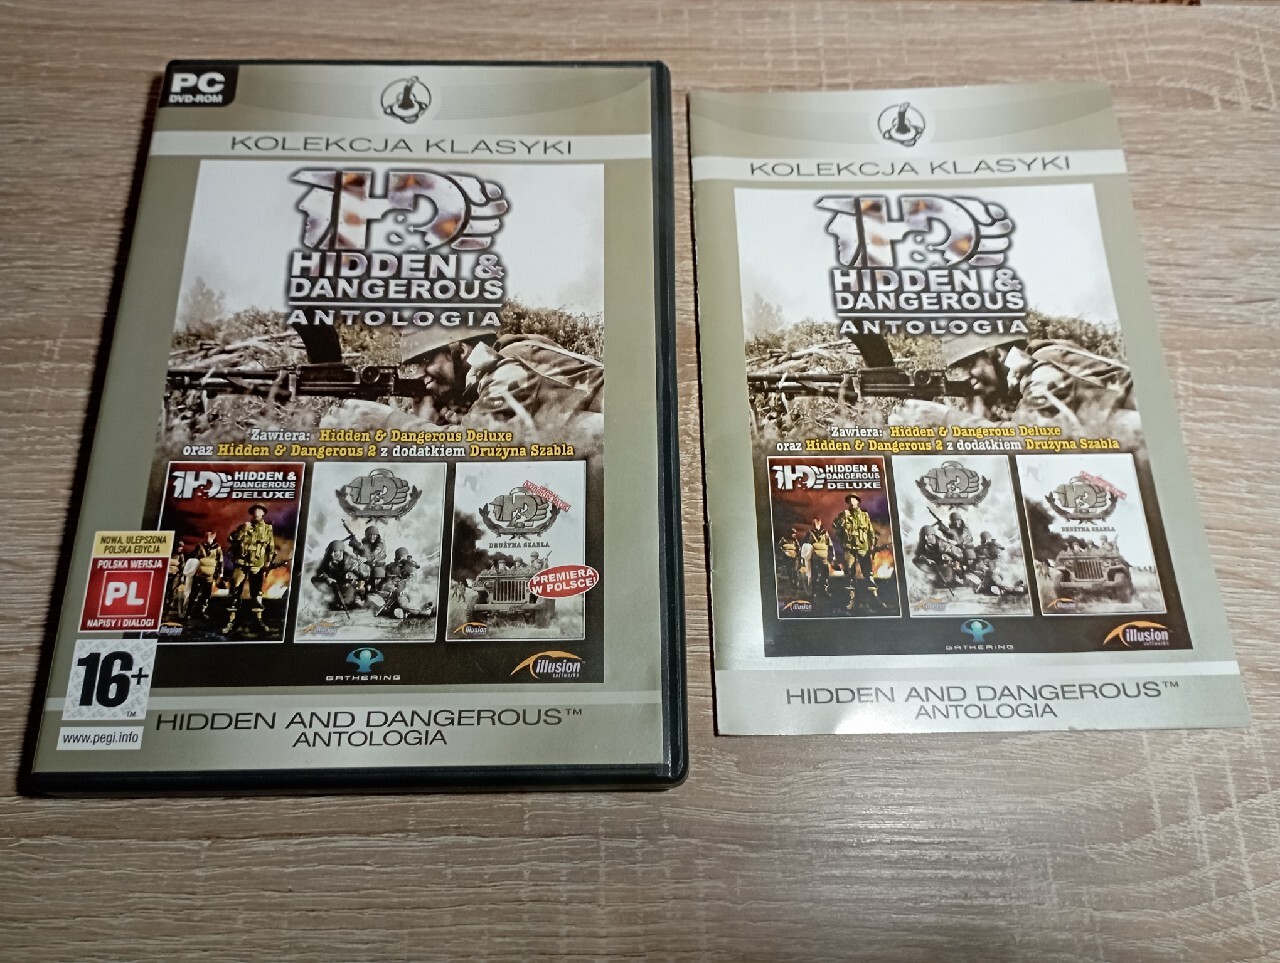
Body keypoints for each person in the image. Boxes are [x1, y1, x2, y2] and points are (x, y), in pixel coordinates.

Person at [320, 326, 605, 452]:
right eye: (414, 366)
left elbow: (470, 448)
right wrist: (430, 419)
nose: (420, 374)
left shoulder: (509, 369)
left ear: (460, 350)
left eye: (426, 361)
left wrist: (388, 421)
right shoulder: (490, 373)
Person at [893, 332, 1140, 444]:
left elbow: (1026, 439)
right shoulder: (1023, 377)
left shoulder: (1044, 371)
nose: (966, 377)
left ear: (997, 355)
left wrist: (947, 419)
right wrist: (977, 407)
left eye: (970, 365)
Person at [223, 504, 276, 635]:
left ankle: (258, 621)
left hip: (257, 564)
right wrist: (242, 530)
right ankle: (231, 621)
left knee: (257, 593)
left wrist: (268, 562)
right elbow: (231, 539)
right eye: (254, 511)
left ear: (263, 513)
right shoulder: (244, 526)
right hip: (241, 563)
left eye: (259, 510)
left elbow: (271, 547)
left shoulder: (267, 529)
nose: (256, 512)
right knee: (235, 590)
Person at [833, 494, 879, 611]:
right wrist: (842, 521)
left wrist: (872, 544)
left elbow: (870, 531)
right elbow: (837, 529)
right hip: (849, 547)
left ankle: (874, 598)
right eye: (849, 500)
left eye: (853, 500)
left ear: (858, 501)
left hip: (863, 547)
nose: (851, 502)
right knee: (850, 573)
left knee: (868, 573)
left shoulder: (864, 515)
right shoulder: (844, 515)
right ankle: (851, 600)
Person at [311, 539, 366, 611]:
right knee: (315, 579)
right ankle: (332, 598)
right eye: (331, 551)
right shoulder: (328, 560)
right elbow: (319, 571)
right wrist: (326, 578)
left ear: (341, 551)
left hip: (350, 585)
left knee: (347, 602)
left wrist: (353, 577)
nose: (332, 554)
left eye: (335, 551)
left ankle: (356, 599)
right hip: (335, 585)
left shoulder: (352, 561)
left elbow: (364, 577)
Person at [187, 531, 223, 620]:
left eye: (209, 536)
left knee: (206, 595)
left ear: (213, 536)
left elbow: (220, 561)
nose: (207, 537)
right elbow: (193, 558)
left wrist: (220, 573)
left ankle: (201, 612)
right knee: (194, 594)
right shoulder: (199, 546)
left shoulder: (217, 548)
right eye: (206, 536)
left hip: (209, 575)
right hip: (198, 574)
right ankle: (189, 612)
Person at [804, 517, 834, 599]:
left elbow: (830, 546)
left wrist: (832, 557)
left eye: (815, 523)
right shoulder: (809, 534)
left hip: (824, 559)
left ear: (819, 523)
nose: (814, 525)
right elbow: (805, 545)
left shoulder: (825, 534)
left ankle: (823, 592)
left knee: (825, 576)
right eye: (812, 524)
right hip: (814, 559)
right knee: (814, 577)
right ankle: (813, 593)